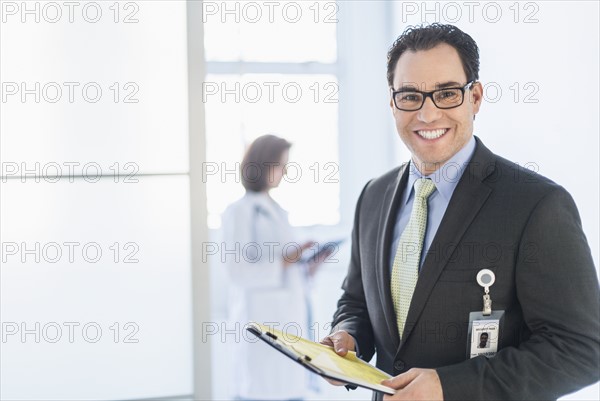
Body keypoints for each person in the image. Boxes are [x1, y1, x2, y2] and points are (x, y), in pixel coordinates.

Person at [321, 24, 599, 400]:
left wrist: (451, 386)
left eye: (447, 93)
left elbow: (582, 350)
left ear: (476, 97)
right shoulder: (374, 196)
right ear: (392, 103)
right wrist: (348, 336)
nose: (428, 113)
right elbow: (356, 300)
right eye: (410, 96)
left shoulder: (536, 205)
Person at [222, 134, 328, 401]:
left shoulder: (278, 210)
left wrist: (308, 267)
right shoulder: (239, 212)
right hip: (260, 324)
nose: (284, 172)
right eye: (280, 165)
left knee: (290, 389)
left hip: (289, 323)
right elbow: (237, 272)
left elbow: (288, 269)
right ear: (262, 165)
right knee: (261, 389)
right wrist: (287, 260)